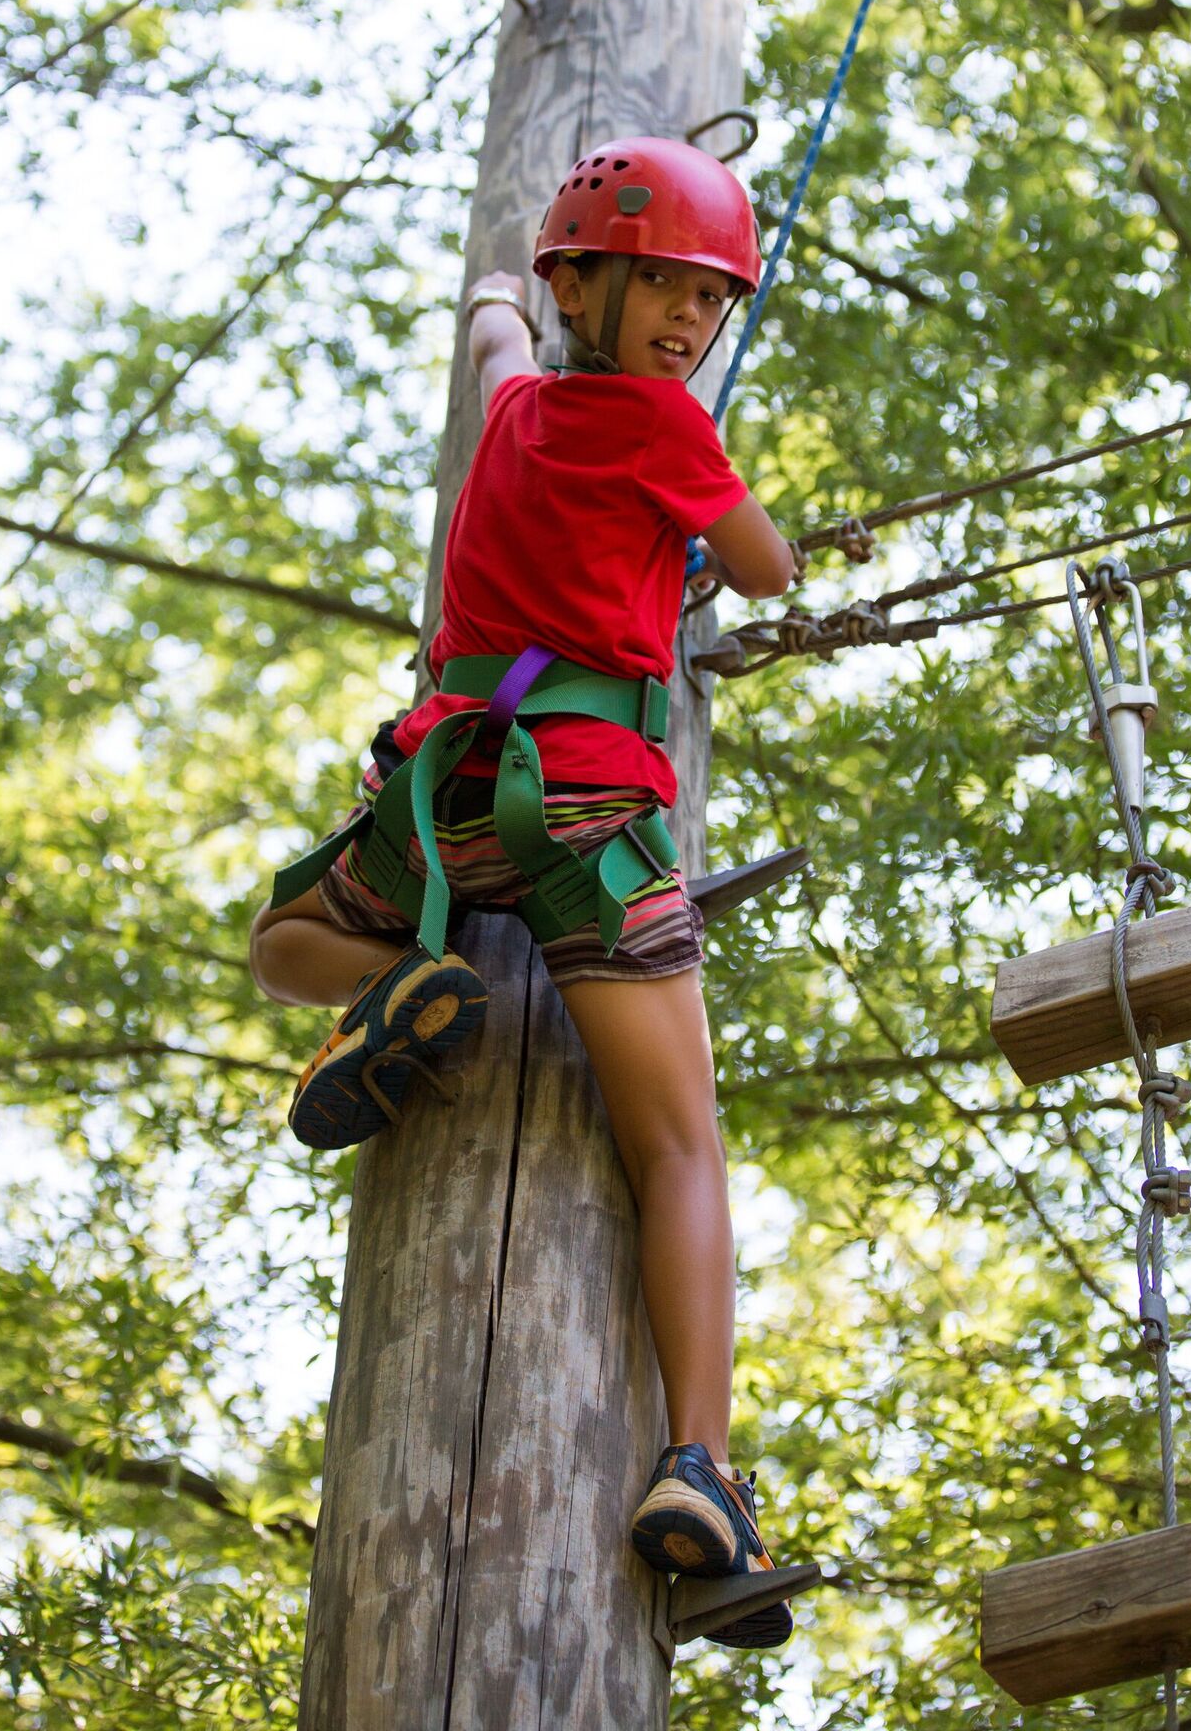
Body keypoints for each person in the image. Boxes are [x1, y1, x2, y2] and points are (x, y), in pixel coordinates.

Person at [249, 136, 800, 1647]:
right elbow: (762, 570)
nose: (689, 326)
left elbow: (494, 339)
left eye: (709, 301)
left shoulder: (512, 405)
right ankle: (701, 1468)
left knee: (284, 936)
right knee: (678, 1147)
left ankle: (387, 988)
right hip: (592, 810)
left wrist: (495, 289)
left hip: (444, 805)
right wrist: (736, 520)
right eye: (664, 291)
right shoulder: (665, 431)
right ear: (592, 287)